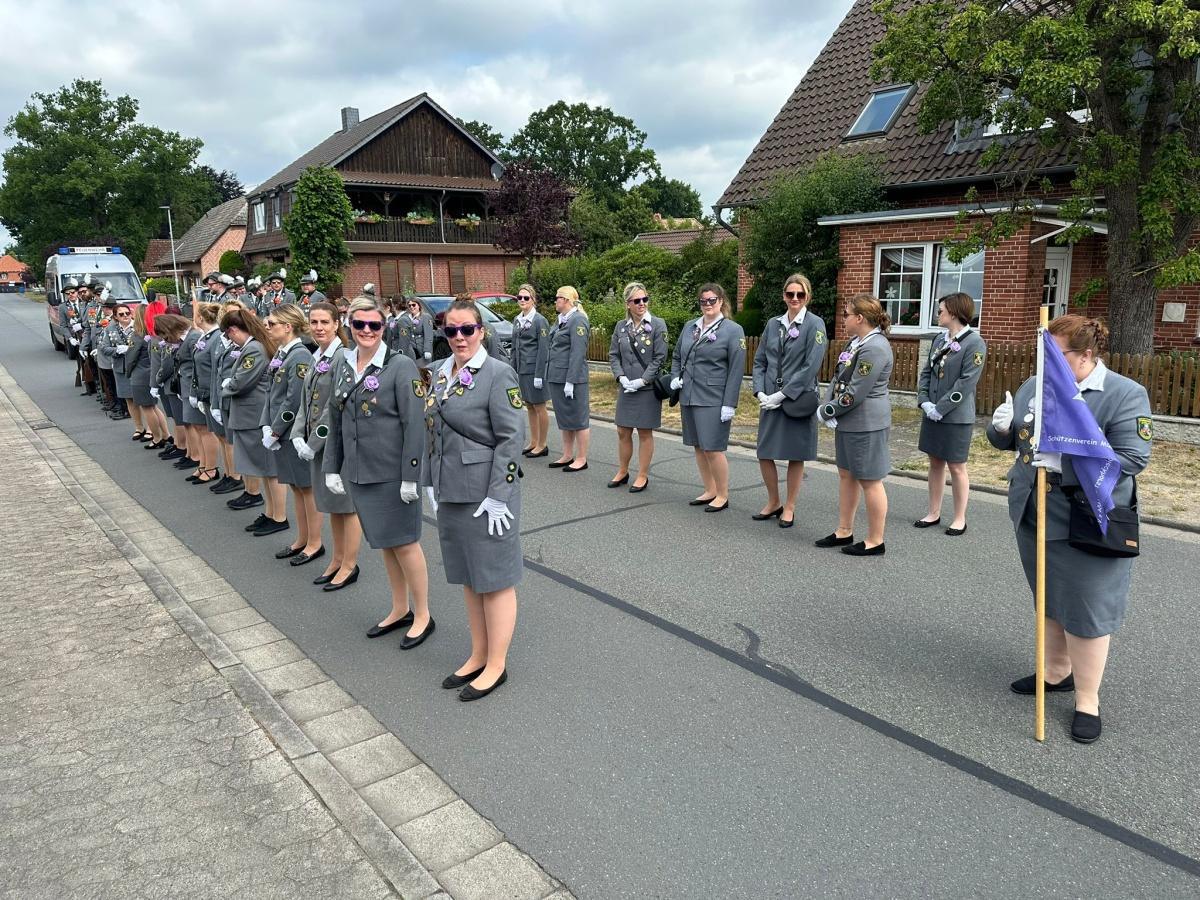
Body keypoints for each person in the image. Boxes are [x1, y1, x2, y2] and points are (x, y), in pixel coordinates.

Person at [987, 315, 1151, 744]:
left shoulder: (1122, 394)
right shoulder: (1034, 384)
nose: (1046, 364)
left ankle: (1087, 699)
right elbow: (1012, 439)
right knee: (1049, 599)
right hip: (1033, 509)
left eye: (1056, 356)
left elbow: (1132, 459)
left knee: (1087, 613)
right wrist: (1001, 428)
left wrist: (1068, 458)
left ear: (1086, 356)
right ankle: (1056, 672)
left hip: (1088, 517)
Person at [425, 298, 525, 700]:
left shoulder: (498, 374)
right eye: (451, 330)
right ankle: (478, 653)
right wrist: (428, 481)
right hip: (450, 488)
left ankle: (497, 665)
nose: (459, 337)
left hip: (487, 493)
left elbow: (512, 439)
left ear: (481, 331)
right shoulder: (437, 373)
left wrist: (500, 495)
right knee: (469, 574)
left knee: (495, 578)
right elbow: (430, 431)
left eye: (467, 329)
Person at [323, 298, 433, 648]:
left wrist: (411, 475)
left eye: (375, 325)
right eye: (359, 325)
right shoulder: (344, 364)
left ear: (384, 327)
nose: (367, 331)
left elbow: (415, 424)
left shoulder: (399, 366)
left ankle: (423, 614)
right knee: (385, 544)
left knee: (405, 543)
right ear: (349, 326)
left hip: (392, 473)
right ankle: (399, 608)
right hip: (360, 471)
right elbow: (336, 417)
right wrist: (332, 466)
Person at [815, 293, 894, 556]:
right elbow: (839, 379)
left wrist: (828, 410)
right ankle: (844, 530)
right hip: (848, 421)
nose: (843, 319)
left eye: (846, 314)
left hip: (866, 422)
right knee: (846, 475)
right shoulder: (856, 342)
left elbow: (856, 392)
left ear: (860, 318)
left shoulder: (875, 347)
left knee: (870, 480)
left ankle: (875, 540)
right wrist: (825, 405)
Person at [293, 302, 363, 590]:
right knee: (331, 505)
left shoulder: (342, 359)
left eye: (325, 322)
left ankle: (350, 564)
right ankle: (336, 559)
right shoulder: (316, 356)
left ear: (337, 324)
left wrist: (312, 441)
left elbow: (333, 407)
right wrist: (298, 432)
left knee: (346, 506)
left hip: (336, 443)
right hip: (318, 443)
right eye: (314, 322)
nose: (319, 327)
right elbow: (305, 400)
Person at [751, 274, 827, 526]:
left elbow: (810, 367)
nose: (795, 299)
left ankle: (790, 506)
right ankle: (773, 501)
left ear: (807, 296)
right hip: (770, 398)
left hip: (796, 399)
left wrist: (782, 395)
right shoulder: (773, 324)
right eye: (790, 294)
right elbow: (760, 360)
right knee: (765, 452)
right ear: (784, 295)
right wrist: (760, 391)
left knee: (796, 455)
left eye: (800, 295)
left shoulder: (815, 324)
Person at [915, 292, 988, 535]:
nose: (938, 315)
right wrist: (924, 402)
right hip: (932, 412)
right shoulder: (939, 340)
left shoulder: (974, 343)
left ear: (954, 314)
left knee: (957, 467)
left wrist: (941, 408)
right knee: (935, 463)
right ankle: (933, 512)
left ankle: (959, 517)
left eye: (941, 311)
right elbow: (927, 373)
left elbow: (966, 383)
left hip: (956, 417)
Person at [669, 283, 746, 511]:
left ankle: (722, 494)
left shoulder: (733, 330)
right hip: (689, 395)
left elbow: (736, 370)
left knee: (712, 447)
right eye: (704, 301)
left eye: (712, 300)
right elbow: (676, 356)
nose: (708, 305)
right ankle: (709, 489)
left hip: (714, 397)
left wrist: (729, 403)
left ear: (721, 301)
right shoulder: (690, 327)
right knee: (698, 446)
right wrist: (675, 377)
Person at [260, 306, 320, 562]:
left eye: (272, 323)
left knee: (307, 489)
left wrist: (275, 430)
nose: (267, 326)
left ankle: (315, 543)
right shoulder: (283, 354)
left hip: (294, 434)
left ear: (288, 326)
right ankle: (302, 538)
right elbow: (272, 394)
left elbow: (294, 401)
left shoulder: (299, 356)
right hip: (281, 433)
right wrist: (266, 424)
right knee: (296, 487)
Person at [219, 307, 278, 528]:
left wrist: (227, 385)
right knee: (263, 469)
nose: (229, 339)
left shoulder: (253, 349)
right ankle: (271, 513)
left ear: (234, 330)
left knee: (269, 470)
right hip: (251, 413)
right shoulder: (252, 346)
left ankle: (278, 516)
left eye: (228, 334)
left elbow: (242, 381)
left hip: (254, 414)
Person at [608, 282, 667, 491]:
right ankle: (622, 471)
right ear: (628, 304)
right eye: (637, 300)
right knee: (623, 431)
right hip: (626, 388)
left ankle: (642, 475)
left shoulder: (658, 325)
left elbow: (660, 357)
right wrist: (620, 377)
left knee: (644, 432)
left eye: (645, 299)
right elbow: (613, 355)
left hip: (647, 388)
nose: (642, 303)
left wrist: (643, 380)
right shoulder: (620, 327)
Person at [546, 285, 591, 472]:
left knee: (578, 419)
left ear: (566, 300)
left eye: (557, 298)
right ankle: (567, 454)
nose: (555, 301)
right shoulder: (561, 320)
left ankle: (581, 458)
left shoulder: (578, 320)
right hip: (557, 376)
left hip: (572, 378)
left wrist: (571, 381)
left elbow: (577, 352)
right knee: (564, 418)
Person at [511, 284, 550, 458]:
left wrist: (540, 374)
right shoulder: (517, 320)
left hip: (534, 370)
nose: (522, 301)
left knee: (539, 406)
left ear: (533, 300)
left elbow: (543, 349)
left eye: (526, 298)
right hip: (521, 369)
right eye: (519, 297)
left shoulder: (539, 320)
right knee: (529, 405)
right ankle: (533, 441)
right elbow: (514, 347)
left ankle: (542, 444)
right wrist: (512, 369)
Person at [186, 303, 224, 486]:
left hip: (211, 392)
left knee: (218, 435)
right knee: (205, 431)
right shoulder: (206, 337)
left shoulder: (216, 337)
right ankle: (205, 465)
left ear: (200, 318)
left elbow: (215, 369)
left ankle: (213, 468)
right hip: (203, 391)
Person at [125, 304, 171, 448]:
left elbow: (131, 357)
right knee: (155, 407)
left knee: (147, 408)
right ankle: (166, 434)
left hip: (140, 375)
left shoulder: (137, 334)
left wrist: (127, 371)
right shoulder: (152, 334)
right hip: (151, 372)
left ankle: (157, 438)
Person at [105, 304, 144, 435]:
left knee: (143, 400)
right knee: (129, 399)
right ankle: (139, 428)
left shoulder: (138, 327)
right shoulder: (110, 329)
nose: (125, 316)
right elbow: (104, 348)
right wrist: (117, 350)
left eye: (127, 313)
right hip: (120, 368)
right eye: (121, 314)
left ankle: (151, 429)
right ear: (115, 317)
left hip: (137, 367)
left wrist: (131, 350)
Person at [406, 297, 434, 367]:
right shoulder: (407, 318)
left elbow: (428, 335)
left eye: (414, 305)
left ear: (419, 306)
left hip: (421, 350)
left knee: (423, 372)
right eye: (409, 305)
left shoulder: (425, 317)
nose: (411, 307)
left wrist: (427, 350)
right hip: (411, 350)